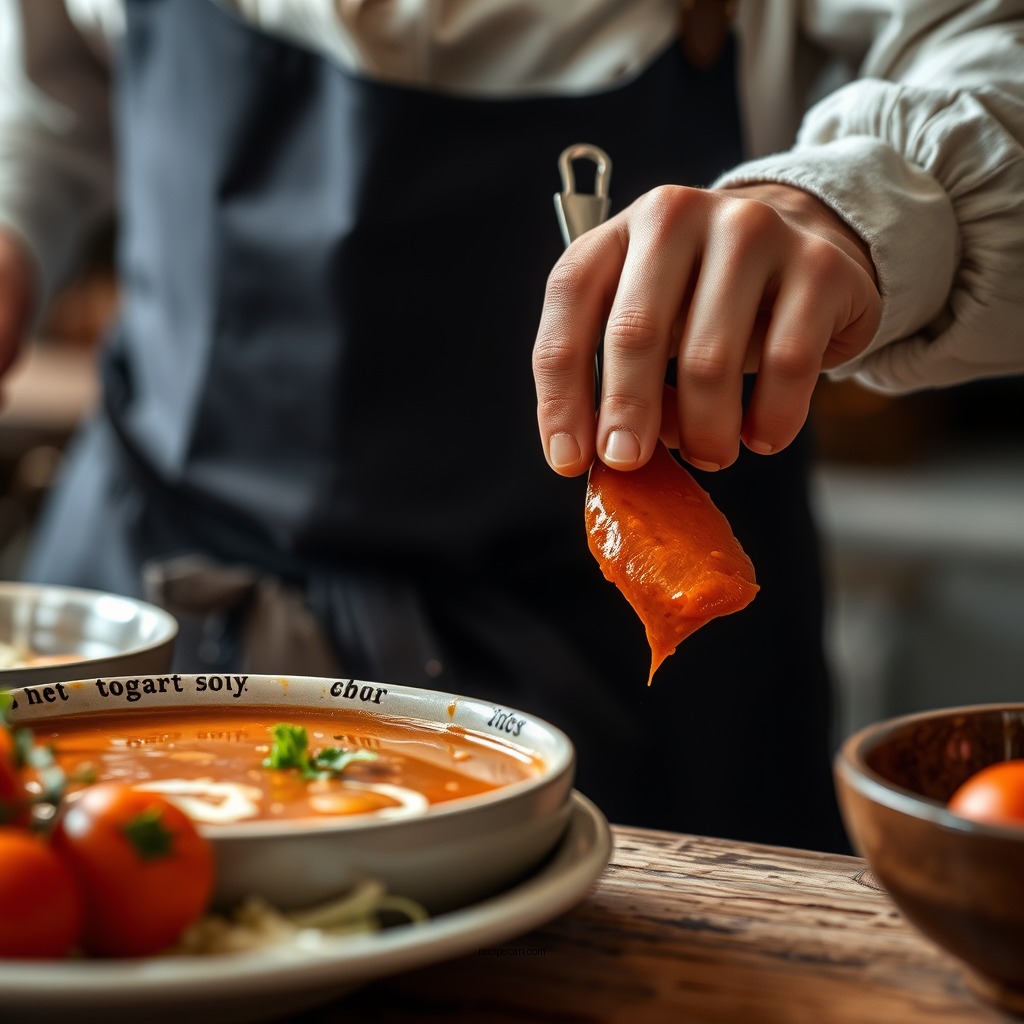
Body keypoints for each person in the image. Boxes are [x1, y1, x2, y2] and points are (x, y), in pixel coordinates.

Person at [0, 0, 1022, 853]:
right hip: (146, 614)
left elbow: (990, 48)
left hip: (623, 685)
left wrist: (857, 205)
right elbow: (43, 90)